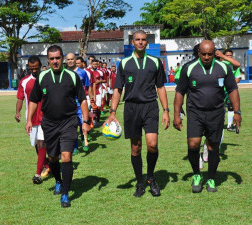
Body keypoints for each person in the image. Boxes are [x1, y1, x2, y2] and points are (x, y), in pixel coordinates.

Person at [104, 30, 170, 197]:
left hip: (150, 107)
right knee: (136, 147)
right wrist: (112, 112)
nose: (141, 42)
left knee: (152, 144)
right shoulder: (124, 63)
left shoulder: (155, 62)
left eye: (143, 40)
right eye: (137, 40)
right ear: (132, 42)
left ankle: (151, 177)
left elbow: (160, 87)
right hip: (132, 108)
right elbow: (118, 89)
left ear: (147, 43)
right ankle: (140, 183)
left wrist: (166, 110)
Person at [26, 45, 90, 208]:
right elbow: (34, 100)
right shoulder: (42, 77)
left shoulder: (72, 76)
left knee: (67, 156)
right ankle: (58, 181)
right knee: (53, 157)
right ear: (48, 60)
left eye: (58, 58)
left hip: (68, 121)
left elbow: (82, 99)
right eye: (52, 58)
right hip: (49, 123)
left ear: (62, 58)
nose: (55, 61)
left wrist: (85, 121)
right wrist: (29, 120)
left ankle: (66, 194)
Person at [173, 40, 242, 193]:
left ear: (214, 53)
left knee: (213, 147)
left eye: (210, 54)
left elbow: (232, 90)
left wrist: (237, 112)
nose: (206, 57)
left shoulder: (223, 67)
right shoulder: (189, 68)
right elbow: (180, 92)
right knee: (193, 144)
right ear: (198, 53)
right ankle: (197, 175)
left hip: (216, 113)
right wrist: (176, 114)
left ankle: (211, 178)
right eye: (203, 54)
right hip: (195, 113)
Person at [15, 56, 50, 184]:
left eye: (36, 68)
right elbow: (20, 98)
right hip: (30, 118)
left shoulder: (47, 78)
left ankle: (37, 174)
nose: (34, 71)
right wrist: (17, 112)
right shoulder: (24, 81)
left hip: (45, 117)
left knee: (42, 143)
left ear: (41, 66)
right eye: (31, 69)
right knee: (36, 145)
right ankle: (47, 165)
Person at [66, 53, 91, 154]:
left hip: (81, 103)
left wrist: (90, 100)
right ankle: (74, 147)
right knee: (72, 126)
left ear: (75, 60)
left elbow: (88, 86)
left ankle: (83, 139)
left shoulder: (83, 72)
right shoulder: (64, 73)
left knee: (82, 123)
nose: (70, 61)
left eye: (72, 59)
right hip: (69, 104)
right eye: (68, 59)